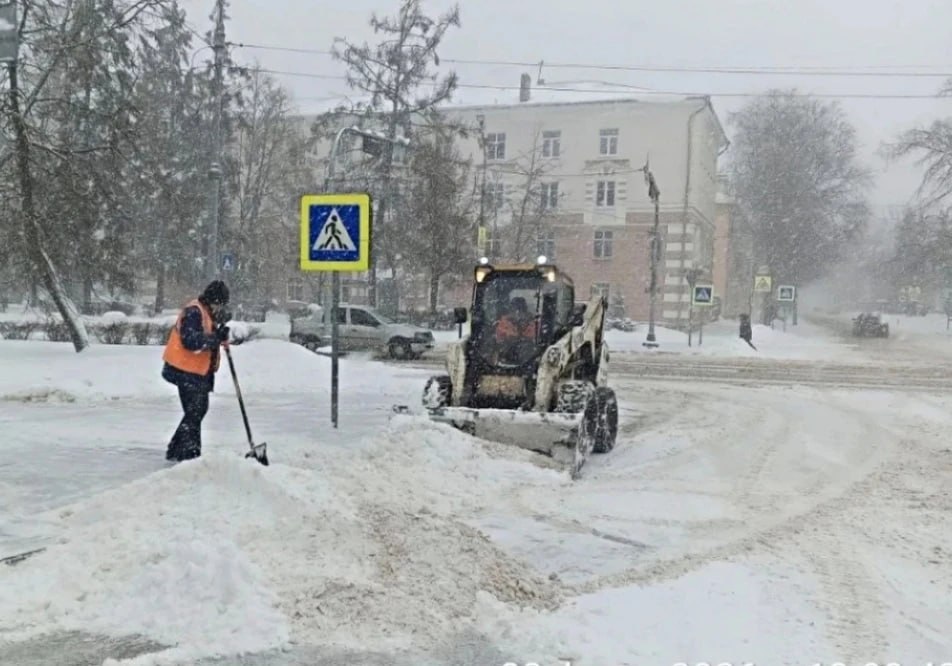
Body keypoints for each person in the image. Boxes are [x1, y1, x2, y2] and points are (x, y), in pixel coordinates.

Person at [162, 280, 231, 462]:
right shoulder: (194, 311)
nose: (219, 308)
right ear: (213, 300)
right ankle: (188, 452)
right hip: (183, 370)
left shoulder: (206, 312)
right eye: (219, 304)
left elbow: (207, 335)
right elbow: (191, 341)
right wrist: (215, 338)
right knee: (195, 411)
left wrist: (219, 332)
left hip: (195, 372)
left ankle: (178, 449)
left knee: (196, 411)